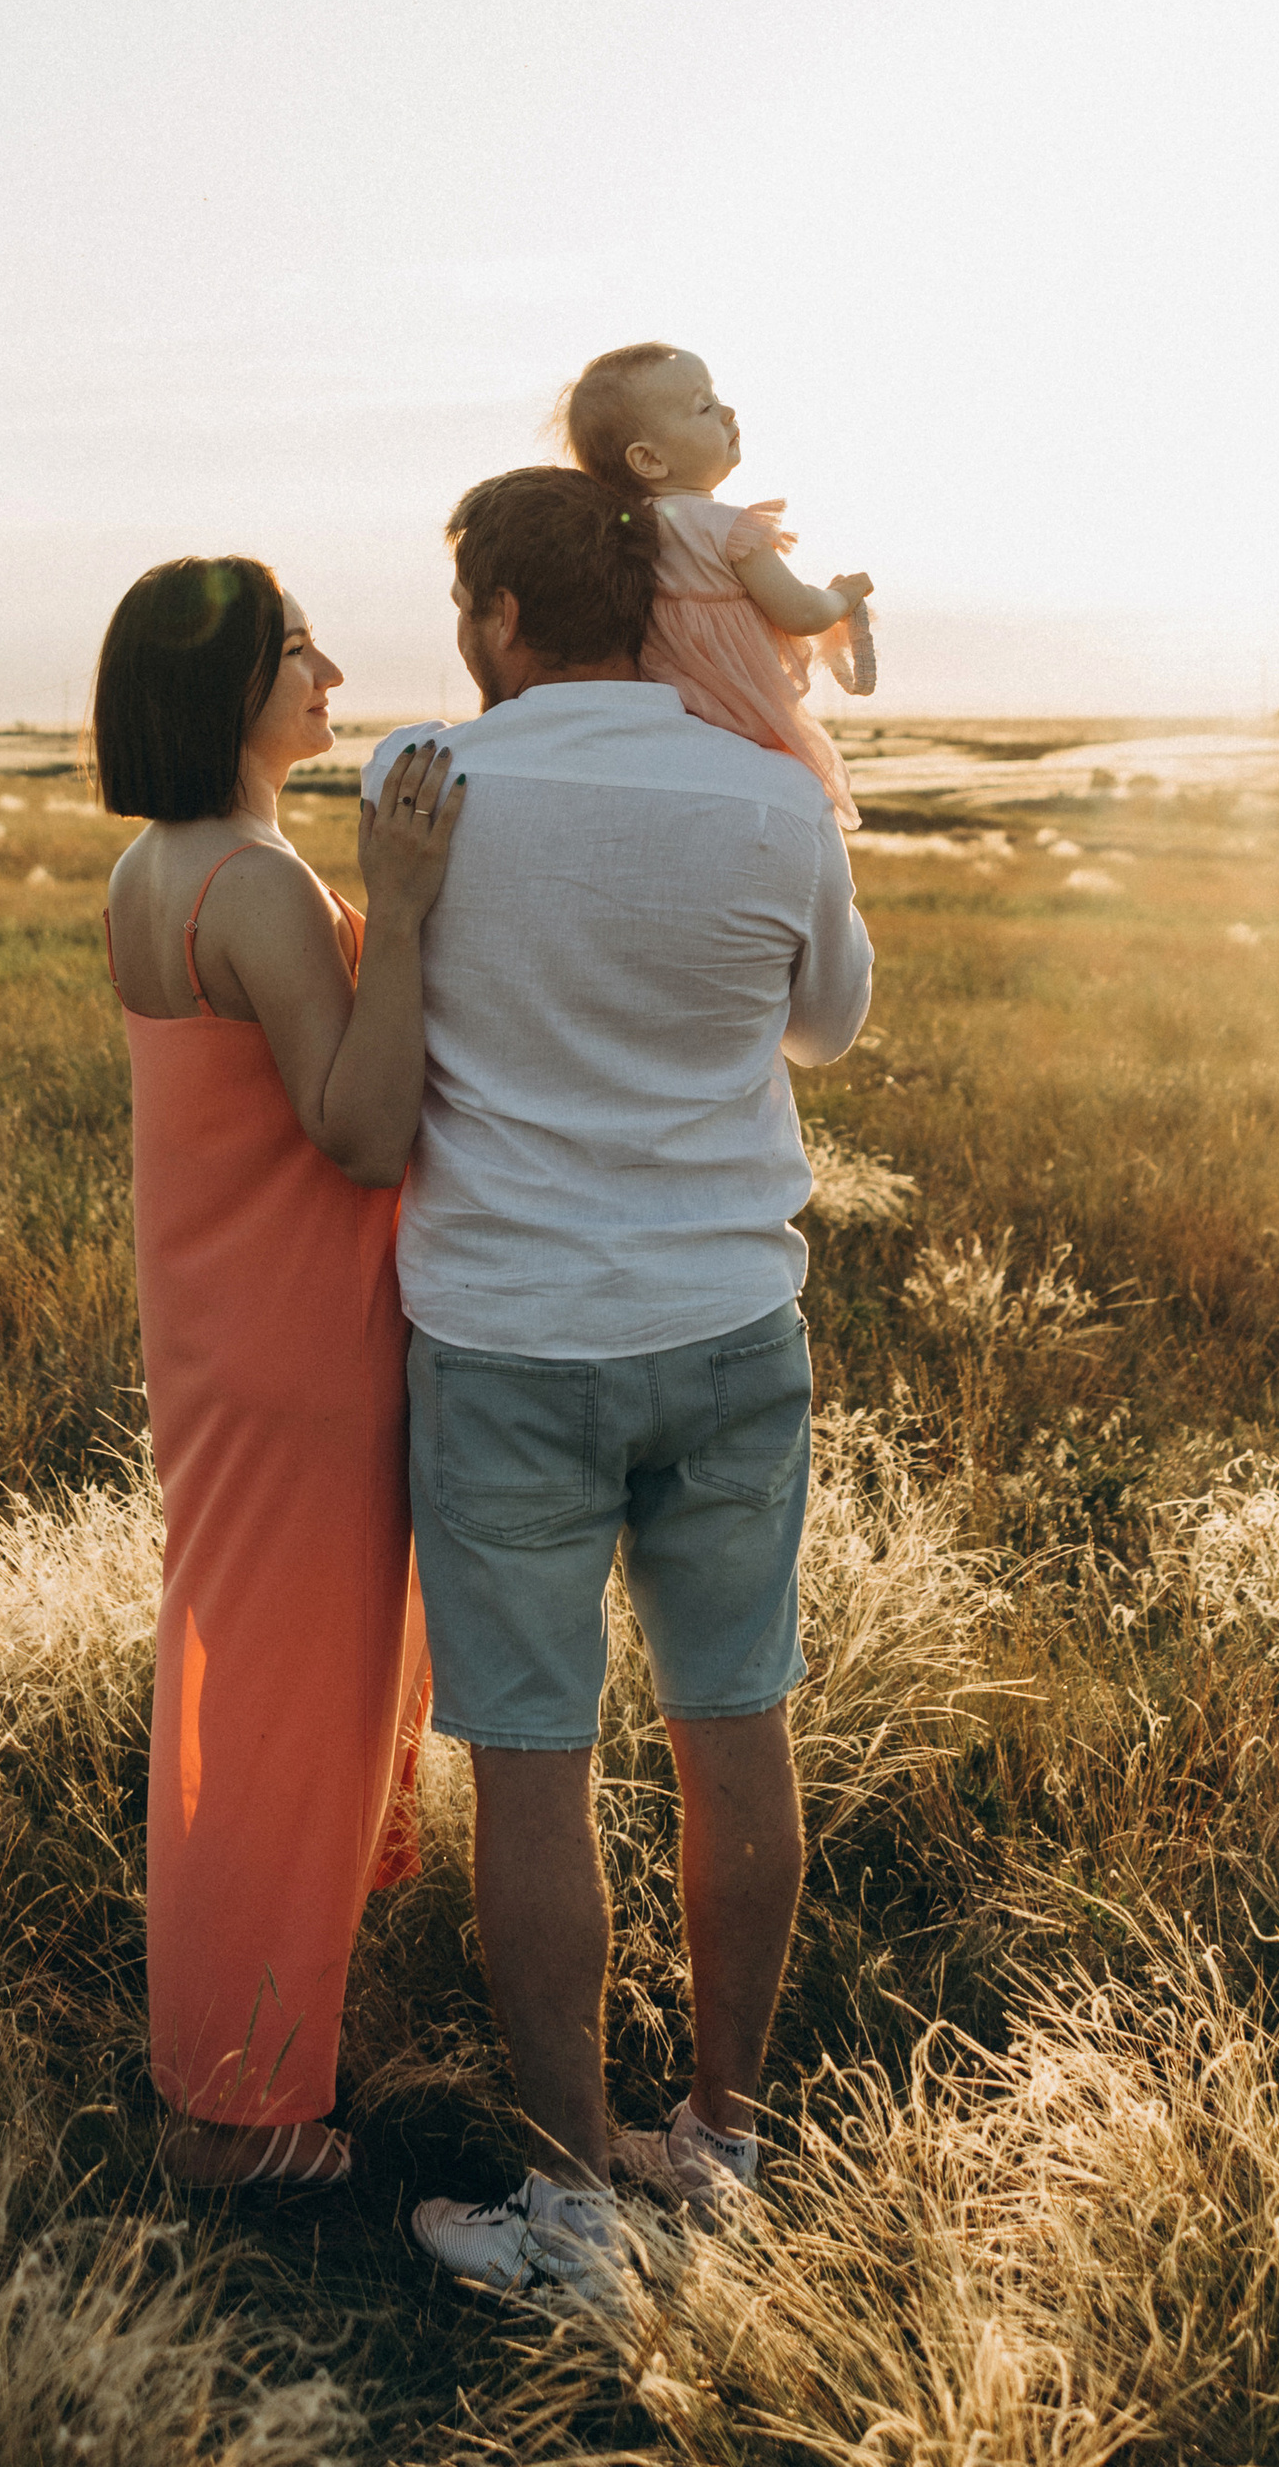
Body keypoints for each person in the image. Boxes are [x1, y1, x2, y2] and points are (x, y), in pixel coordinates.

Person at [353, 468, 876, 2292]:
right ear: (656, 602)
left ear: (497, 619)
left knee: (532, 1769)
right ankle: (721, 2139)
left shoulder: (421, 778)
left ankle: (574, 2198)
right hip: (726, 1326)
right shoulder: (769, 794)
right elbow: (827, 1023)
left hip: (505, 1341)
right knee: (737, 1728)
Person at [97, 554, 463, 2193]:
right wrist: (413, 908)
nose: (331, 669)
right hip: (305, 1345)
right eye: (299, 646)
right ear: (229, 687)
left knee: (240, 1683)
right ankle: (235, 2115)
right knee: (278, 1714)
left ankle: (240, 2056)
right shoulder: (250, 882)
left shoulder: (155, 866)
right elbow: (362, 1123)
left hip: (230, 1327)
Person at [559, 341, 874, 829]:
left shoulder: (625, 533)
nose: (727, 411)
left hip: (662, 702)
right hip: (736, 702)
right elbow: (801, 613)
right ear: (648, 460)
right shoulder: (728, 530)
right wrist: (845, 595)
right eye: (703, 406)